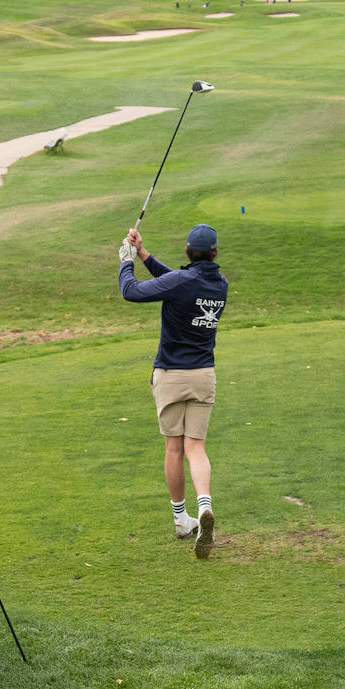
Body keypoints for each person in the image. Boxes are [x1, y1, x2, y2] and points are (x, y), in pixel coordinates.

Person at [118, 224, 228, 559]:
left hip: (171, 375)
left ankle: (182, 519)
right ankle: (204, 506)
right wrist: (144, 253)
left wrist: (126, 261)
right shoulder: (219, 284)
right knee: (196, 448)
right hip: (203, 376)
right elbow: (176, 281)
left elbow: (132, 291)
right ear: (215, 253)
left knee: (173, 448)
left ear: (187, 252)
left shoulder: (183, 282)